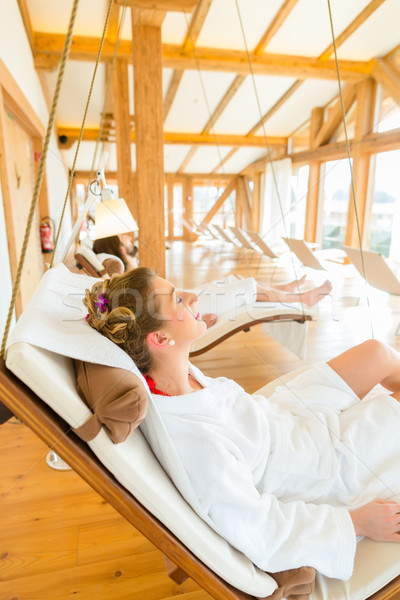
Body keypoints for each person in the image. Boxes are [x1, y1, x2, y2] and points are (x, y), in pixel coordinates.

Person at [84, 267, 400, 580]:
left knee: (377, 353)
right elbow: (259, 527)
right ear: (160, 338)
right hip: (314, 466)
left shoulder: (174, 376)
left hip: (286, 418)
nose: (193, 297)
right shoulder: (193, 441)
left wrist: (188, 324)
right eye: (178, 299)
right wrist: (357, 522)